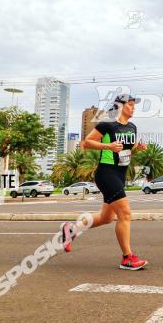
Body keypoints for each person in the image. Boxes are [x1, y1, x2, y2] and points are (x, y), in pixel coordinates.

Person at [59, 93, 148, 270]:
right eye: (130, 104)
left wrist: (137, 149)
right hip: (106, 173)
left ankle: (72, 229)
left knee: (106, 217)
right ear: (120, 107)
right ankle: (127, 258)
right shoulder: (107, 124)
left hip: (121, 174)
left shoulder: (132, 127)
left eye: (133, 104)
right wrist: (108, 146)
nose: (133, 107)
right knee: (125, 214)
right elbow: (87, 142)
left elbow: (126, 152)